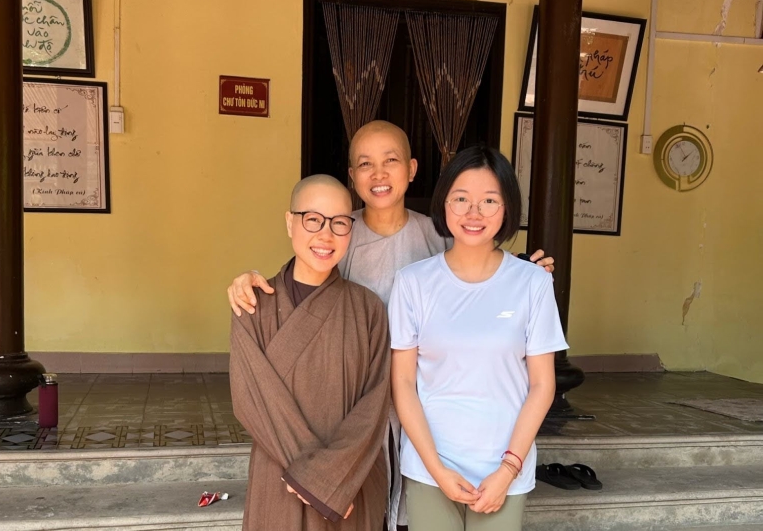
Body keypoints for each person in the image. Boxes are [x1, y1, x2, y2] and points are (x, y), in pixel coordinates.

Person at [227, 121, 555, 529]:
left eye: (391, 161)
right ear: (352, 177)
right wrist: (248, 281)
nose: (379, 174)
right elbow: (305, 282)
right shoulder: (341, 231)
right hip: (347, 399)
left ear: (413, 169)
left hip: (423, 400)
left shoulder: (438, 235)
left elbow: (478, 271)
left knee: (404, 505)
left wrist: (523, 272)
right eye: (365, 164)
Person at [389, 145, 567, 531]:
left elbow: (542, 385)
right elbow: (402, 383)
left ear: (506, 209)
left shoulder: (533, 284)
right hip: (430, 467)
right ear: (444, 203)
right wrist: (435, 469)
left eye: (489, 200)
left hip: (504, 467)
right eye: (461, 199)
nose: (474, 213)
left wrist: (508, 470)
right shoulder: (412, 282)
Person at [230, 174, 391, 531]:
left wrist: (334, 478)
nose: (326, 235)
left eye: (339, 223)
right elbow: (250, 401)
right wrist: (320, 481)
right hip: (281, 477)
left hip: (352, 482)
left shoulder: (368, 309)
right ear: (290, 222)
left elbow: (375, 404)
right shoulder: (253, 303)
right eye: (313, 219)